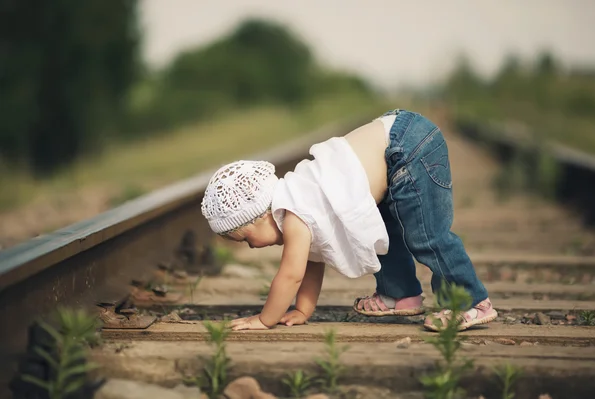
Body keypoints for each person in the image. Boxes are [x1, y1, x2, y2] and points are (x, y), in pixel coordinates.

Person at [200, 109, 497, 332]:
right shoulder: (299, 204)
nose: (251, 248)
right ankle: (401, 294)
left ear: (259, 215)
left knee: (426, 236)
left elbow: (291, 274)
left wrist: (265, 320)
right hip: (398, 141)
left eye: (246, 239)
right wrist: (303, 310)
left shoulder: (293, 214)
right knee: (385, 227)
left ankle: (470, 301)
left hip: (406, 146)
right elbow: (311, 264)